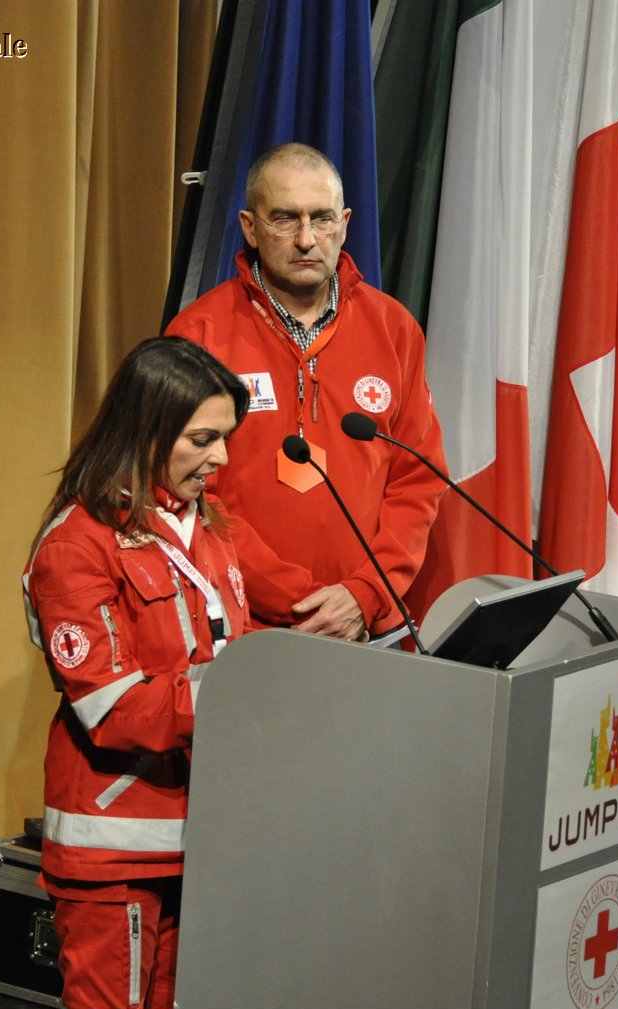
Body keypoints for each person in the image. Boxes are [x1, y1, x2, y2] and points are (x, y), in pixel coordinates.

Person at [21, 336, 250, 1009]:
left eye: (225, 438)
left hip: (201, 837)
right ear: (147, 431)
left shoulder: (207, 526)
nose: (220, 458)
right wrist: (247, 688)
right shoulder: (77, 544)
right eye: (202, 439)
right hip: (114, 843)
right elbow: (114, 710)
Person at [167, 142, 445, 642]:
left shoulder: (394, 329)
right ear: (250, 228)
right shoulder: (198, 337)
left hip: (364, 627)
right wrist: (299, 601)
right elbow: (189, 495)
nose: (305, 239)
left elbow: (417, 481)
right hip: (243, 627)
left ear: (345, 223)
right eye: (284, 219)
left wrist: (365, 593)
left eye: (321, 219)